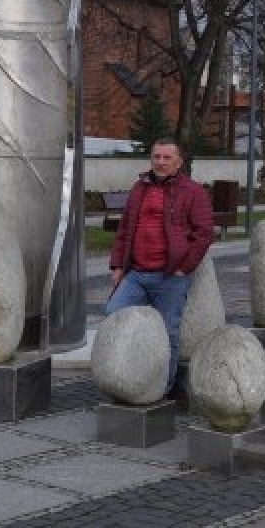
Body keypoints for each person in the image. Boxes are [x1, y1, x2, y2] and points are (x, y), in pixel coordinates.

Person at [106, 138, 215, 391]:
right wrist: (118, 266)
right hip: (136, 274)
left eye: (167, 158)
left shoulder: (193, 191)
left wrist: (183, 268)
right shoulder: (139, 188)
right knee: (114, 315)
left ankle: (163, 388)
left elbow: (204, 233)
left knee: (168, 332)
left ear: (179, 162)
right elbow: (125, 229)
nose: (161, 162)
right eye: (156, 157)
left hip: (169, 275)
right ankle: (132, 374)